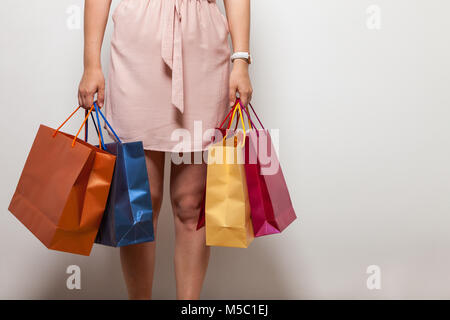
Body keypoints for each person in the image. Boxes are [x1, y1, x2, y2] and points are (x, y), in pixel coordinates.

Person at [78, 0, 252, 300]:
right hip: (138, 48)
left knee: (191, 202)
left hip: (203, 46)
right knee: (139, 202)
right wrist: (91, 64)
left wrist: (241, 60)